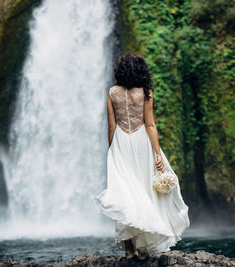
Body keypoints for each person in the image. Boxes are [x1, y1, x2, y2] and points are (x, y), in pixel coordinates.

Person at [95, 54, 190, 261]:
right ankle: (146, 245)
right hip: (141, 142)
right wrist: (157, 153)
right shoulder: (145, 92)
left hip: (121, 142)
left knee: (125, 193)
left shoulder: (112, 93)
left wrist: (112, 150)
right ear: (140, 71)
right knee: (144, 189)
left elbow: (111, 126)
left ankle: (129, 249)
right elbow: (150, 125)